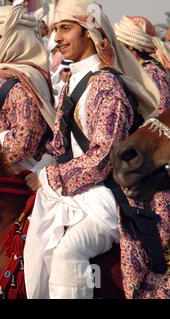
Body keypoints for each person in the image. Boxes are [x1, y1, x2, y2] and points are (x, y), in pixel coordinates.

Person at [23, 0, 162, 299]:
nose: (57, 38)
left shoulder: (107, 85)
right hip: (83, 190)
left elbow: (103, 158)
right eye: (56, 29)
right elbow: (60, 146)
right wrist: (26, 167)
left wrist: (49, 178)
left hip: (109, 196)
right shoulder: (75, 79)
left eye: (66, 28)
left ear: (89, 32)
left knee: (66, 253)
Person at [0, 3, 55, 173]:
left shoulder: (22, 85)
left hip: (23, 172)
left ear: (9, 40)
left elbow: (25, 143)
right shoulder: (9, 74)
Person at [115, 15, 170, 114]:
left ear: (130, 47)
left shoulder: (153, 73)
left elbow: (161, 117)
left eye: (119, 45)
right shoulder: (135, 70)